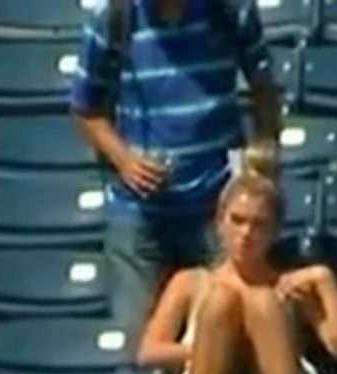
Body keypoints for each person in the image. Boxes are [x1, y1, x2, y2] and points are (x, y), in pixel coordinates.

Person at [69, 0, 287, 335]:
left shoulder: (229, 9)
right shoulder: (115, 17)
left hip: (217, 203)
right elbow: (85, 108)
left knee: (231, 331)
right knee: (136, 341)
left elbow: (263, 85)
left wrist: (263, 152)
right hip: (139, 210)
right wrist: (124, 160)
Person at [134, 175, 337, 374]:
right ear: (220, 223)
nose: (246, 233)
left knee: (264, 302)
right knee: (220, 302)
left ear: (274, 231)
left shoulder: (290, 285)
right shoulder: (190, 282)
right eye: (237, 220)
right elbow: (148, 352)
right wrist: (206, 348)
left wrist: (325, 281)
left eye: (259, 224)